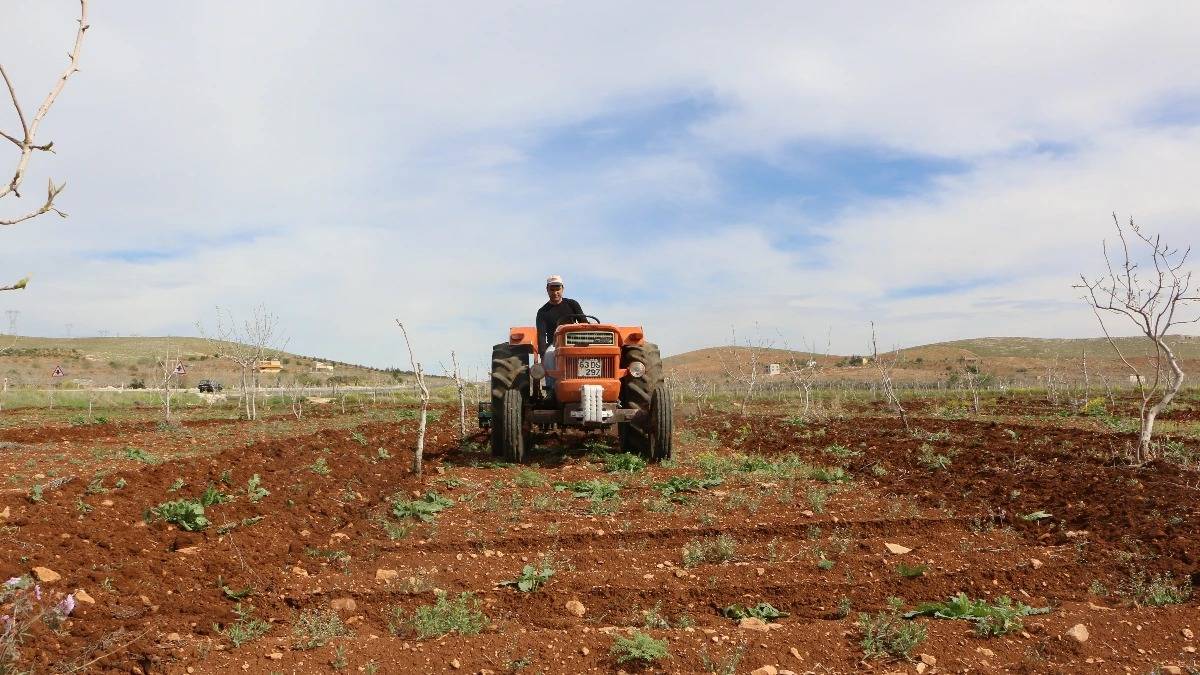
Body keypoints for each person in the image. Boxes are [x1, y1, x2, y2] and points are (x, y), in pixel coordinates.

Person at [535, 275, 583, 393]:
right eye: (552, 289)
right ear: (547, 290)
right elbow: (541, 335)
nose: (555, 292)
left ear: (562, 289)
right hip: (555, 343)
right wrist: (542, 355)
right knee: (549, 355)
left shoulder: (572, 304)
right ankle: (552, 390)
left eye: (558, 289)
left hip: (576, 341)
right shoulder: (542, 312)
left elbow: (584, 323)